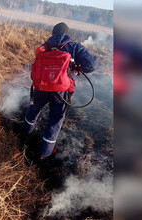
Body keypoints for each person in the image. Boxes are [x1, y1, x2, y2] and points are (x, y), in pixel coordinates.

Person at [24, 22, 97, 160]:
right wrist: (77, 67)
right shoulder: (74, 46)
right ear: (67, 34)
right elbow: (92, 64)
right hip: (61, 91)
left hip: (41, 86)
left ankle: (26, 131)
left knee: (33, 109)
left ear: (53, 33)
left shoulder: (44, 46)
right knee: (55, 120)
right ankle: (44, 153)